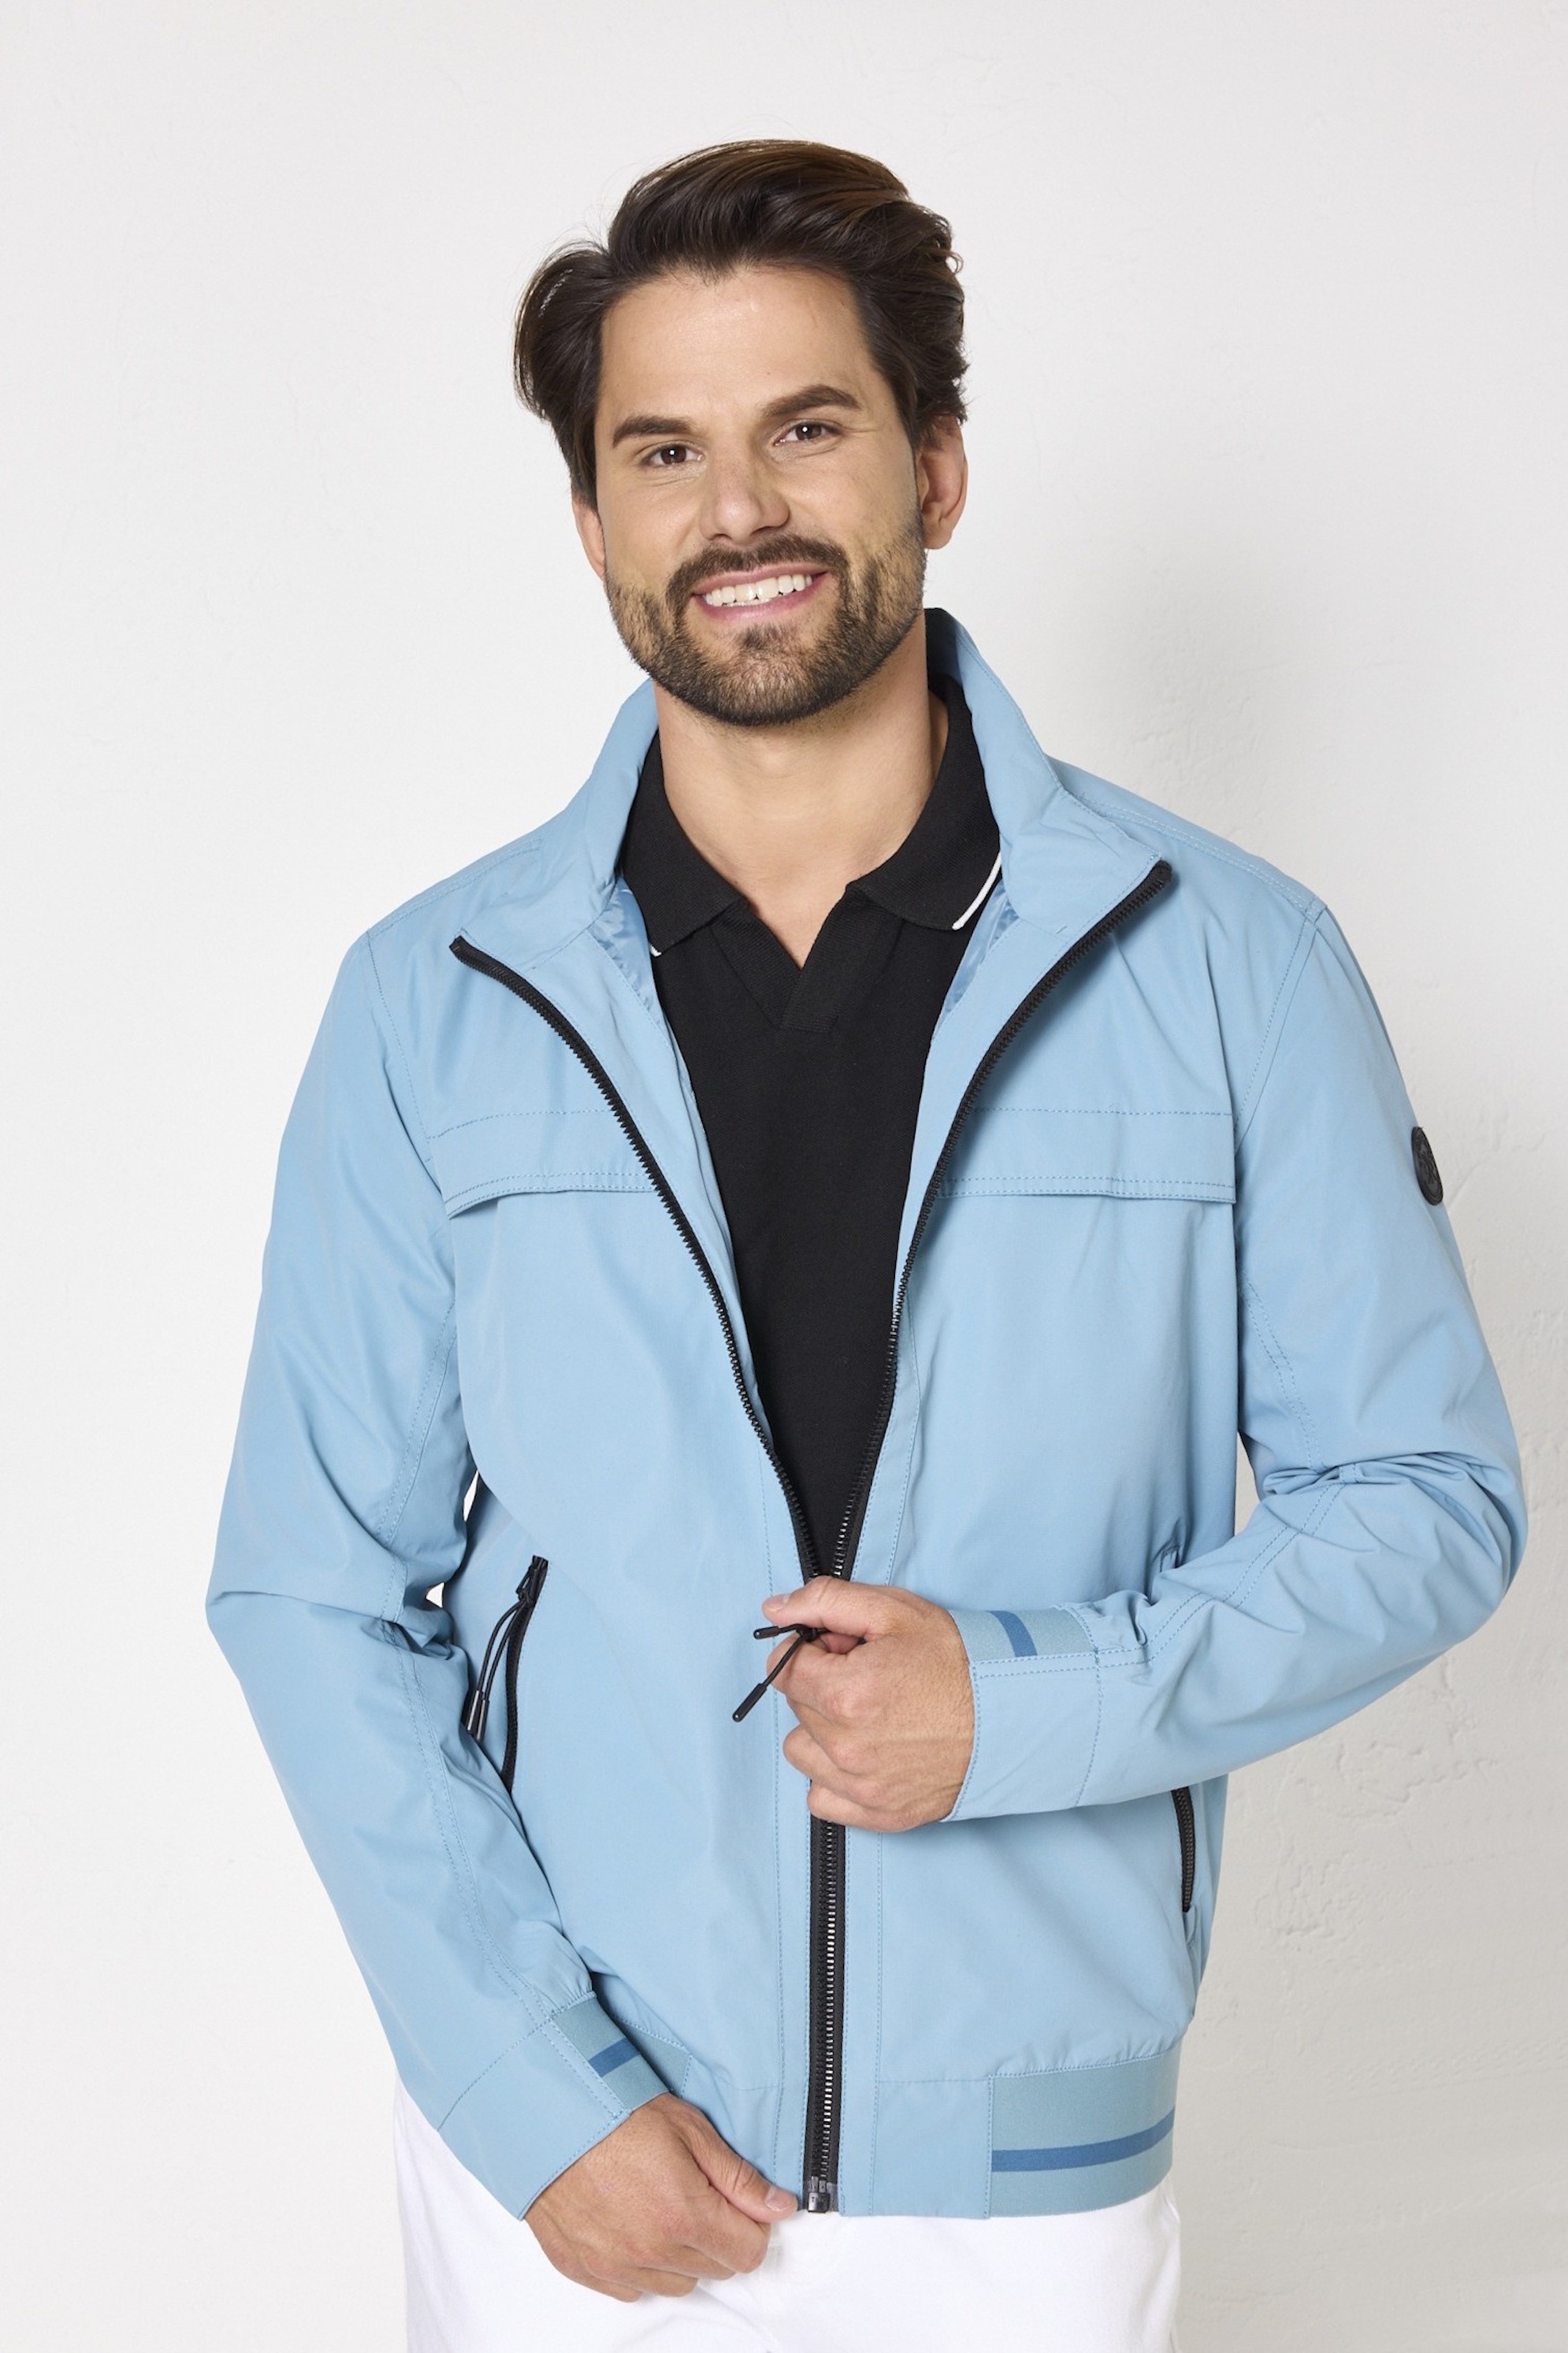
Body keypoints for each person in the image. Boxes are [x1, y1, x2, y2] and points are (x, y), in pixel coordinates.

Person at [206, 139, 1527, 2352]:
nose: (738, 510)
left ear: (934, 466)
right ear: (592, 518)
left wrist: (1022, 1707)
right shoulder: (433, 1001)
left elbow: (1425, 1500)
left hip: (1014, 2187)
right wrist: (529, 2094)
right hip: (569, 2178)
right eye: (663, 451)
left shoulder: (1229, 962)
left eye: (805, 428)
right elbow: (311, 1588)